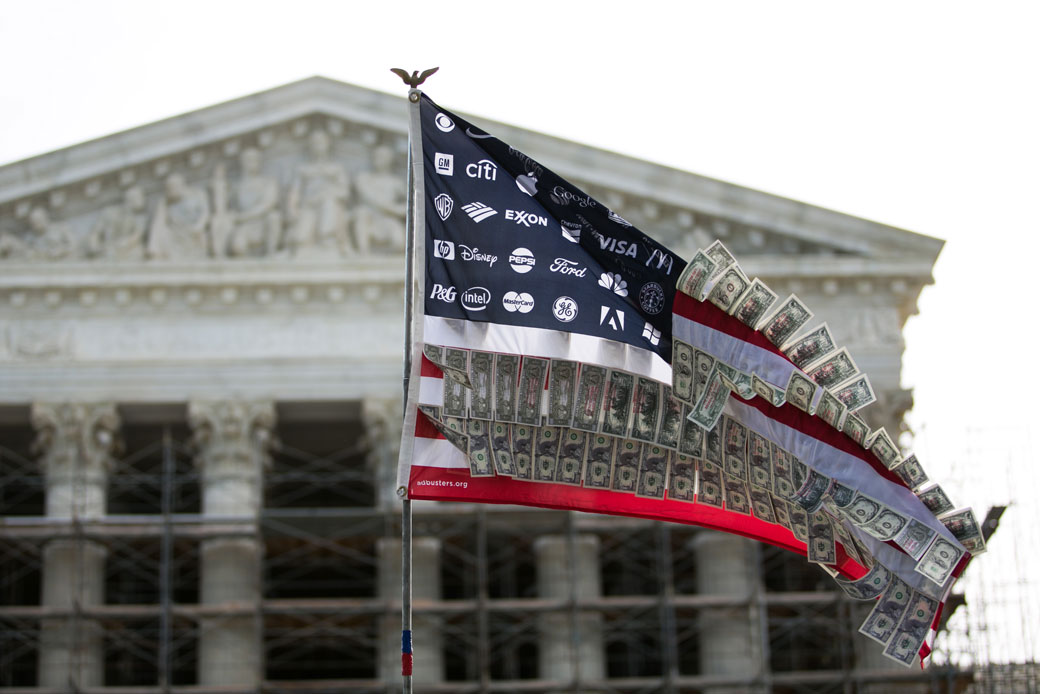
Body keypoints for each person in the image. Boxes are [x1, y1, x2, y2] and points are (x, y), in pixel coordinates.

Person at [286, 131, 350, 256]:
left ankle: (327, 237)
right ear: (310, 146)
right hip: (308, 206)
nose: (318, 146)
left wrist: (327, 193)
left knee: (328, 202)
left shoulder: (336, 168)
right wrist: (292, 209)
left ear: (328, 145)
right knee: (301, 239)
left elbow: (344, 192)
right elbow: (295, 192)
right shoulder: (303, 169)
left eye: (321, 142)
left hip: (329, 205)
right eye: (314, 143)